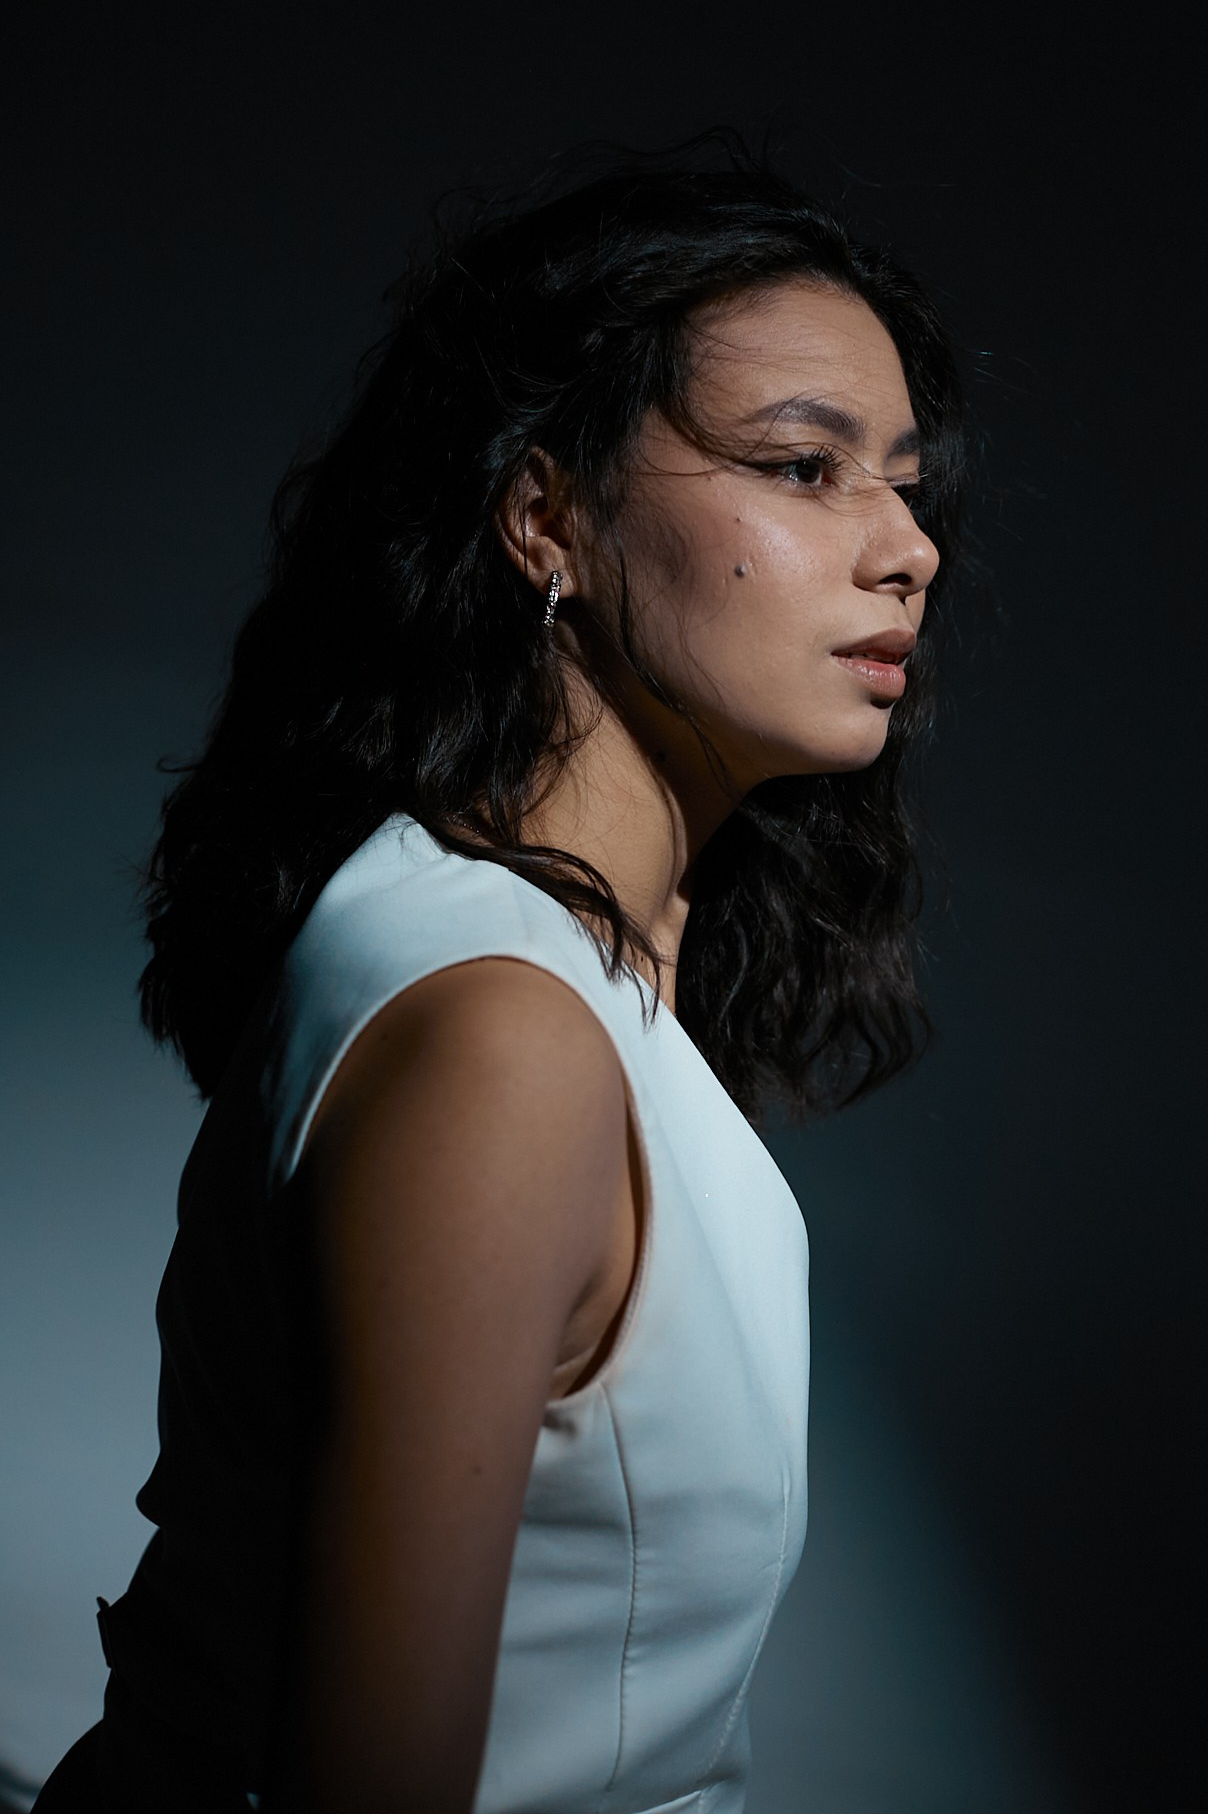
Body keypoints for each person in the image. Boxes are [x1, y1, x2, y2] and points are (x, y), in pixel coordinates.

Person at [34, 140, 970, 1812]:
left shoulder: (547, 974)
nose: (908, 547)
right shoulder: (502, 1032)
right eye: (803, 466)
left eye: (904, 484)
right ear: (546, 517)